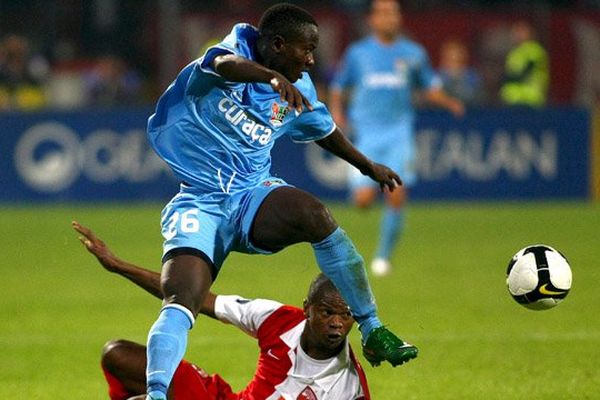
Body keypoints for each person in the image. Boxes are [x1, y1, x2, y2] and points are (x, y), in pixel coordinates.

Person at [144, 4, 416, 399]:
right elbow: (224, 65)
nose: (310, 60)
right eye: (304, 50)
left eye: (313, 50)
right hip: (200, 202)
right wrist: (270, 77)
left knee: (316, 216)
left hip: (253, 196)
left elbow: (324, 130)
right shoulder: (233, 50)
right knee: (181, 298)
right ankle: (156, 394)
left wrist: (367, 165)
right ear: (276, 44)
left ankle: (372, 327)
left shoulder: (298, 88)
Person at [72, 221, 371, 400]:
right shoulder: (278, 320)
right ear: (308, 309)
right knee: (117, 354)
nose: (336, 324)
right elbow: (194, 297)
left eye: (346, 316)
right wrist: (117, 266)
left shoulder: (350, 384)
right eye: (327, 313)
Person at [329, 0, 464, 277]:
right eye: (383, 13)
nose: (389, 17)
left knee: (396, 193)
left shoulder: (413, 54)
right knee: (362, 200)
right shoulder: (358, 53)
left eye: (393, 12)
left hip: (398, 132)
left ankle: (382, 258)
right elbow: (338, 86)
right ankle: (371, 206)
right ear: (372, 19)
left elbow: (429, 87)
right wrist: (337, 113)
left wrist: (448, 102)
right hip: (367, 133)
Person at [499, 20, 549, 107]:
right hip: (512, 99)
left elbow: (526, 72)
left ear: (529, 33)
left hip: (529, 99)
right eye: (515, 32)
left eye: (520, 32)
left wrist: (507, 78)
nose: (516, 35)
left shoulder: (534, 50)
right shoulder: (514, 52)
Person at [438, 39, 484, 107]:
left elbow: (477, 99)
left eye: (457, 61)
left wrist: (458, 80)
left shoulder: (473, 78)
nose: (453, 66)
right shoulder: (434, 77)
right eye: (449, 60)